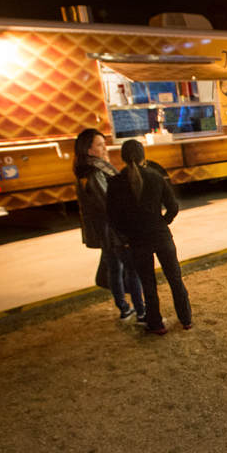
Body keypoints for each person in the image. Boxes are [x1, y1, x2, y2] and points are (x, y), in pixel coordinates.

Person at [105, 139, 192, 335]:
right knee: (175, 279)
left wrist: (126, 235)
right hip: (161, 236)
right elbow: (173, 206)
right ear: (144, 155)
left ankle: (156, 323)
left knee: (148, 283)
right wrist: (163, 222)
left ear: (122, 157)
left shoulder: (115, 183)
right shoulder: (155, 177)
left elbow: (112, 217)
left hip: (137, 240)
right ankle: (186, 319)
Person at [72, 128, 145, 322]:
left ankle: (124, 308)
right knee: (131, 268)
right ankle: (141, 311)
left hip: (104, 231)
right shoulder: (95, 173)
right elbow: (109, 204)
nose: (105, 148)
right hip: (112, 231)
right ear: (89, 150)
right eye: (99, 145)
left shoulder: (88, 171)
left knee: (114, 268)